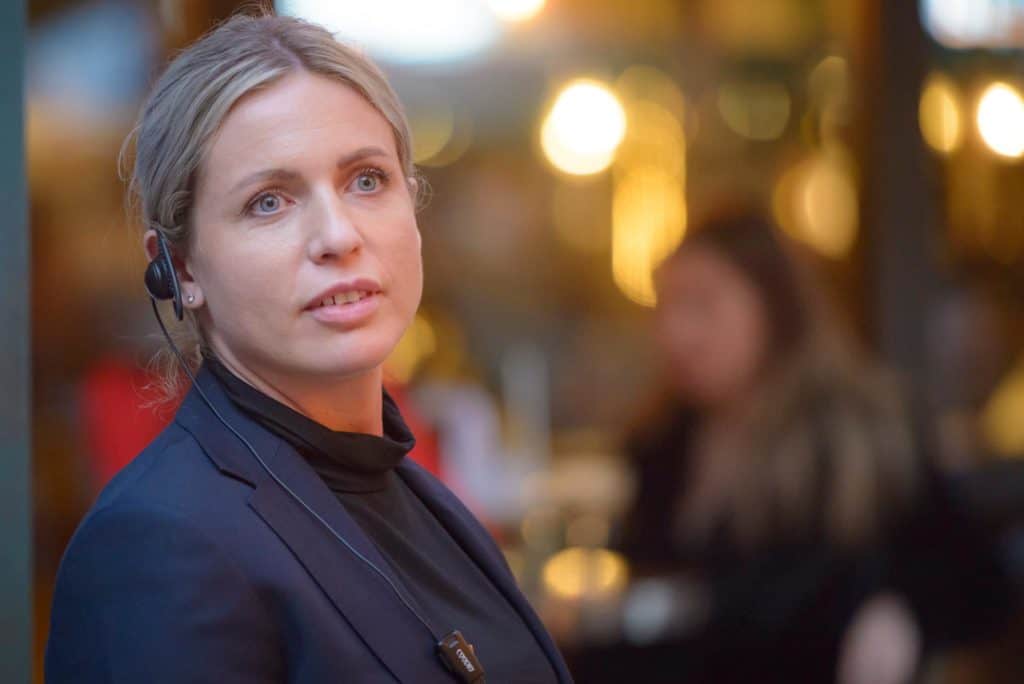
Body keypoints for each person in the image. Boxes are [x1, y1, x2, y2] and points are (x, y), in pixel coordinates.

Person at [45, 12, 571, 684]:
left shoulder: (422, 499)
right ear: (180, 267)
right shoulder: (157, 545)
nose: (338, 235)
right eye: (269, 201)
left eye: (366, 180)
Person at [617, 210, 1011, 684]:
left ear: (774, 306)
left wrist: (905, 611)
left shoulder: (858, 435)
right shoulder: (662, 443)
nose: (675, 332)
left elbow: (977, 581)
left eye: (702, 304)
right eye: (665, 307)